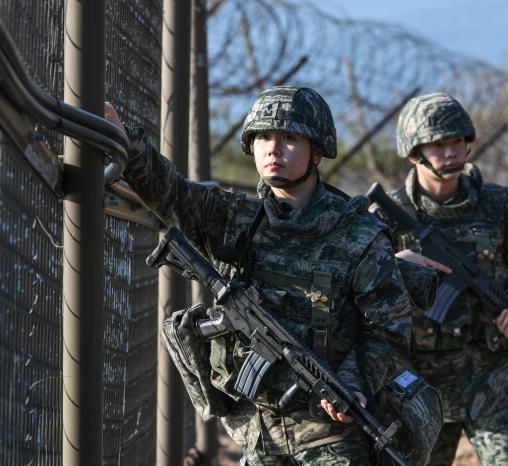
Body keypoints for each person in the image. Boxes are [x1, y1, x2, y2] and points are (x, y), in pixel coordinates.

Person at [105, 86, 414, 465]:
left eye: (289, 138)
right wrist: (125, 142)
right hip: (258, 435)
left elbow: (389, 328)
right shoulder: (234, 218)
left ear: (317, 151)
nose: (273, 148)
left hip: (331, 438)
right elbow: (169, 193)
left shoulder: (359, 236)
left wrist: (352, 383)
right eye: (263, 137)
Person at [371, 92, 508, 466]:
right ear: (413, 153)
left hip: (493, 374)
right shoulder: (384, 216)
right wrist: (395, 265)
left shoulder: (499, 205)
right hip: (419, 382)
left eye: (457, 141)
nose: (451, 152)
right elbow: (357, 291)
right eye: (438, 144)